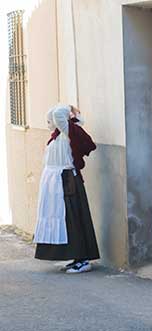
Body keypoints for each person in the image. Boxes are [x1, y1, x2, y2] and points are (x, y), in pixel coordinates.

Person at [33, 104, 99, 273]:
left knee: (73, 218)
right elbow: (53, 115)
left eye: (51, 121)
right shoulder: (59, 135)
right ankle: (76, 256)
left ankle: (83, 260)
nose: (49, 123)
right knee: (66, 220)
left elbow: (57, 114)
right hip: (56, 183)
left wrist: (69, 107)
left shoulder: (70, 133)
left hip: (67, 181)